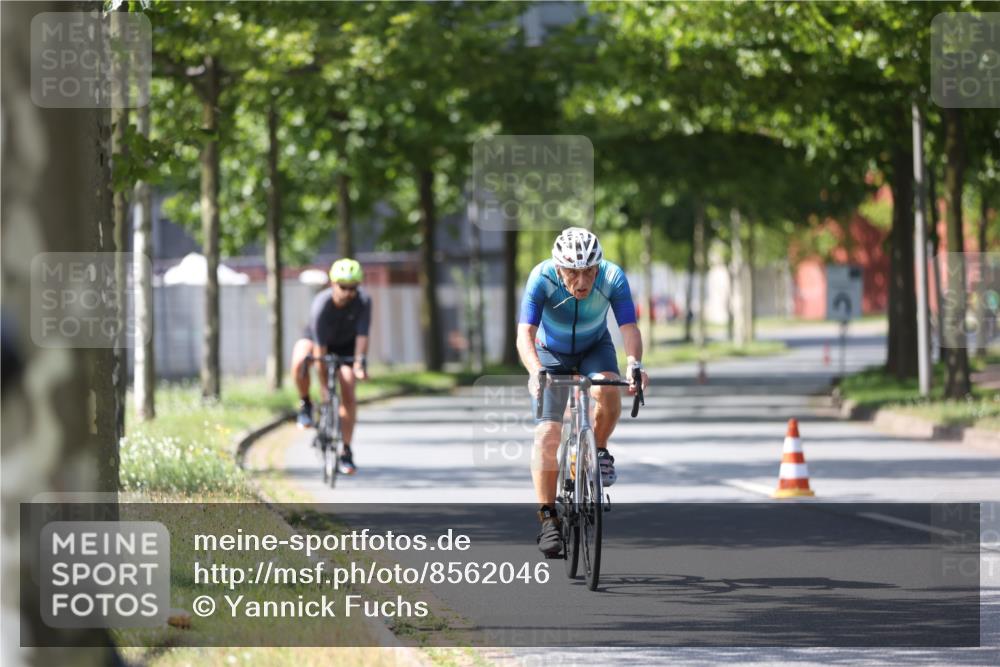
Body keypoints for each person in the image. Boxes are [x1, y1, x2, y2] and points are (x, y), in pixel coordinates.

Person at [516, 227, 649, 556]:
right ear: (558, 267)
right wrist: (536, 371)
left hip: (594, 348)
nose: (582, 281)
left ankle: (599, 450)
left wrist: (634, 363)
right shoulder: (541, 277)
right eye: (573, 272)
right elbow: (525, 333)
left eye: (589, 271)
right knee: (547, 434)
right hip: (550, 353)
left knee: (608, 389)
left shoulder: (613, 276)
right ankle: (548, 518)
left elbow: (628, 327)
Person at [290, 258, 371, 475]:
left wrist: (359, 363)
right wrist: (324, 387)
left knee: (348, 384)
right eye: (343, 287)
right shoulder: (322, 304)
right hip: (319, 342)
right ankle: (305, 403)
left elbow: (363, 337)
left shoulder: (363, 301)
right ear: (333, 284)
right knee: (300, 358)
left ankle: (346, 450)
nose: (348, 293)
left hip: (346, 346)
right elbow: (319, 350)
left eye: (353, 288)